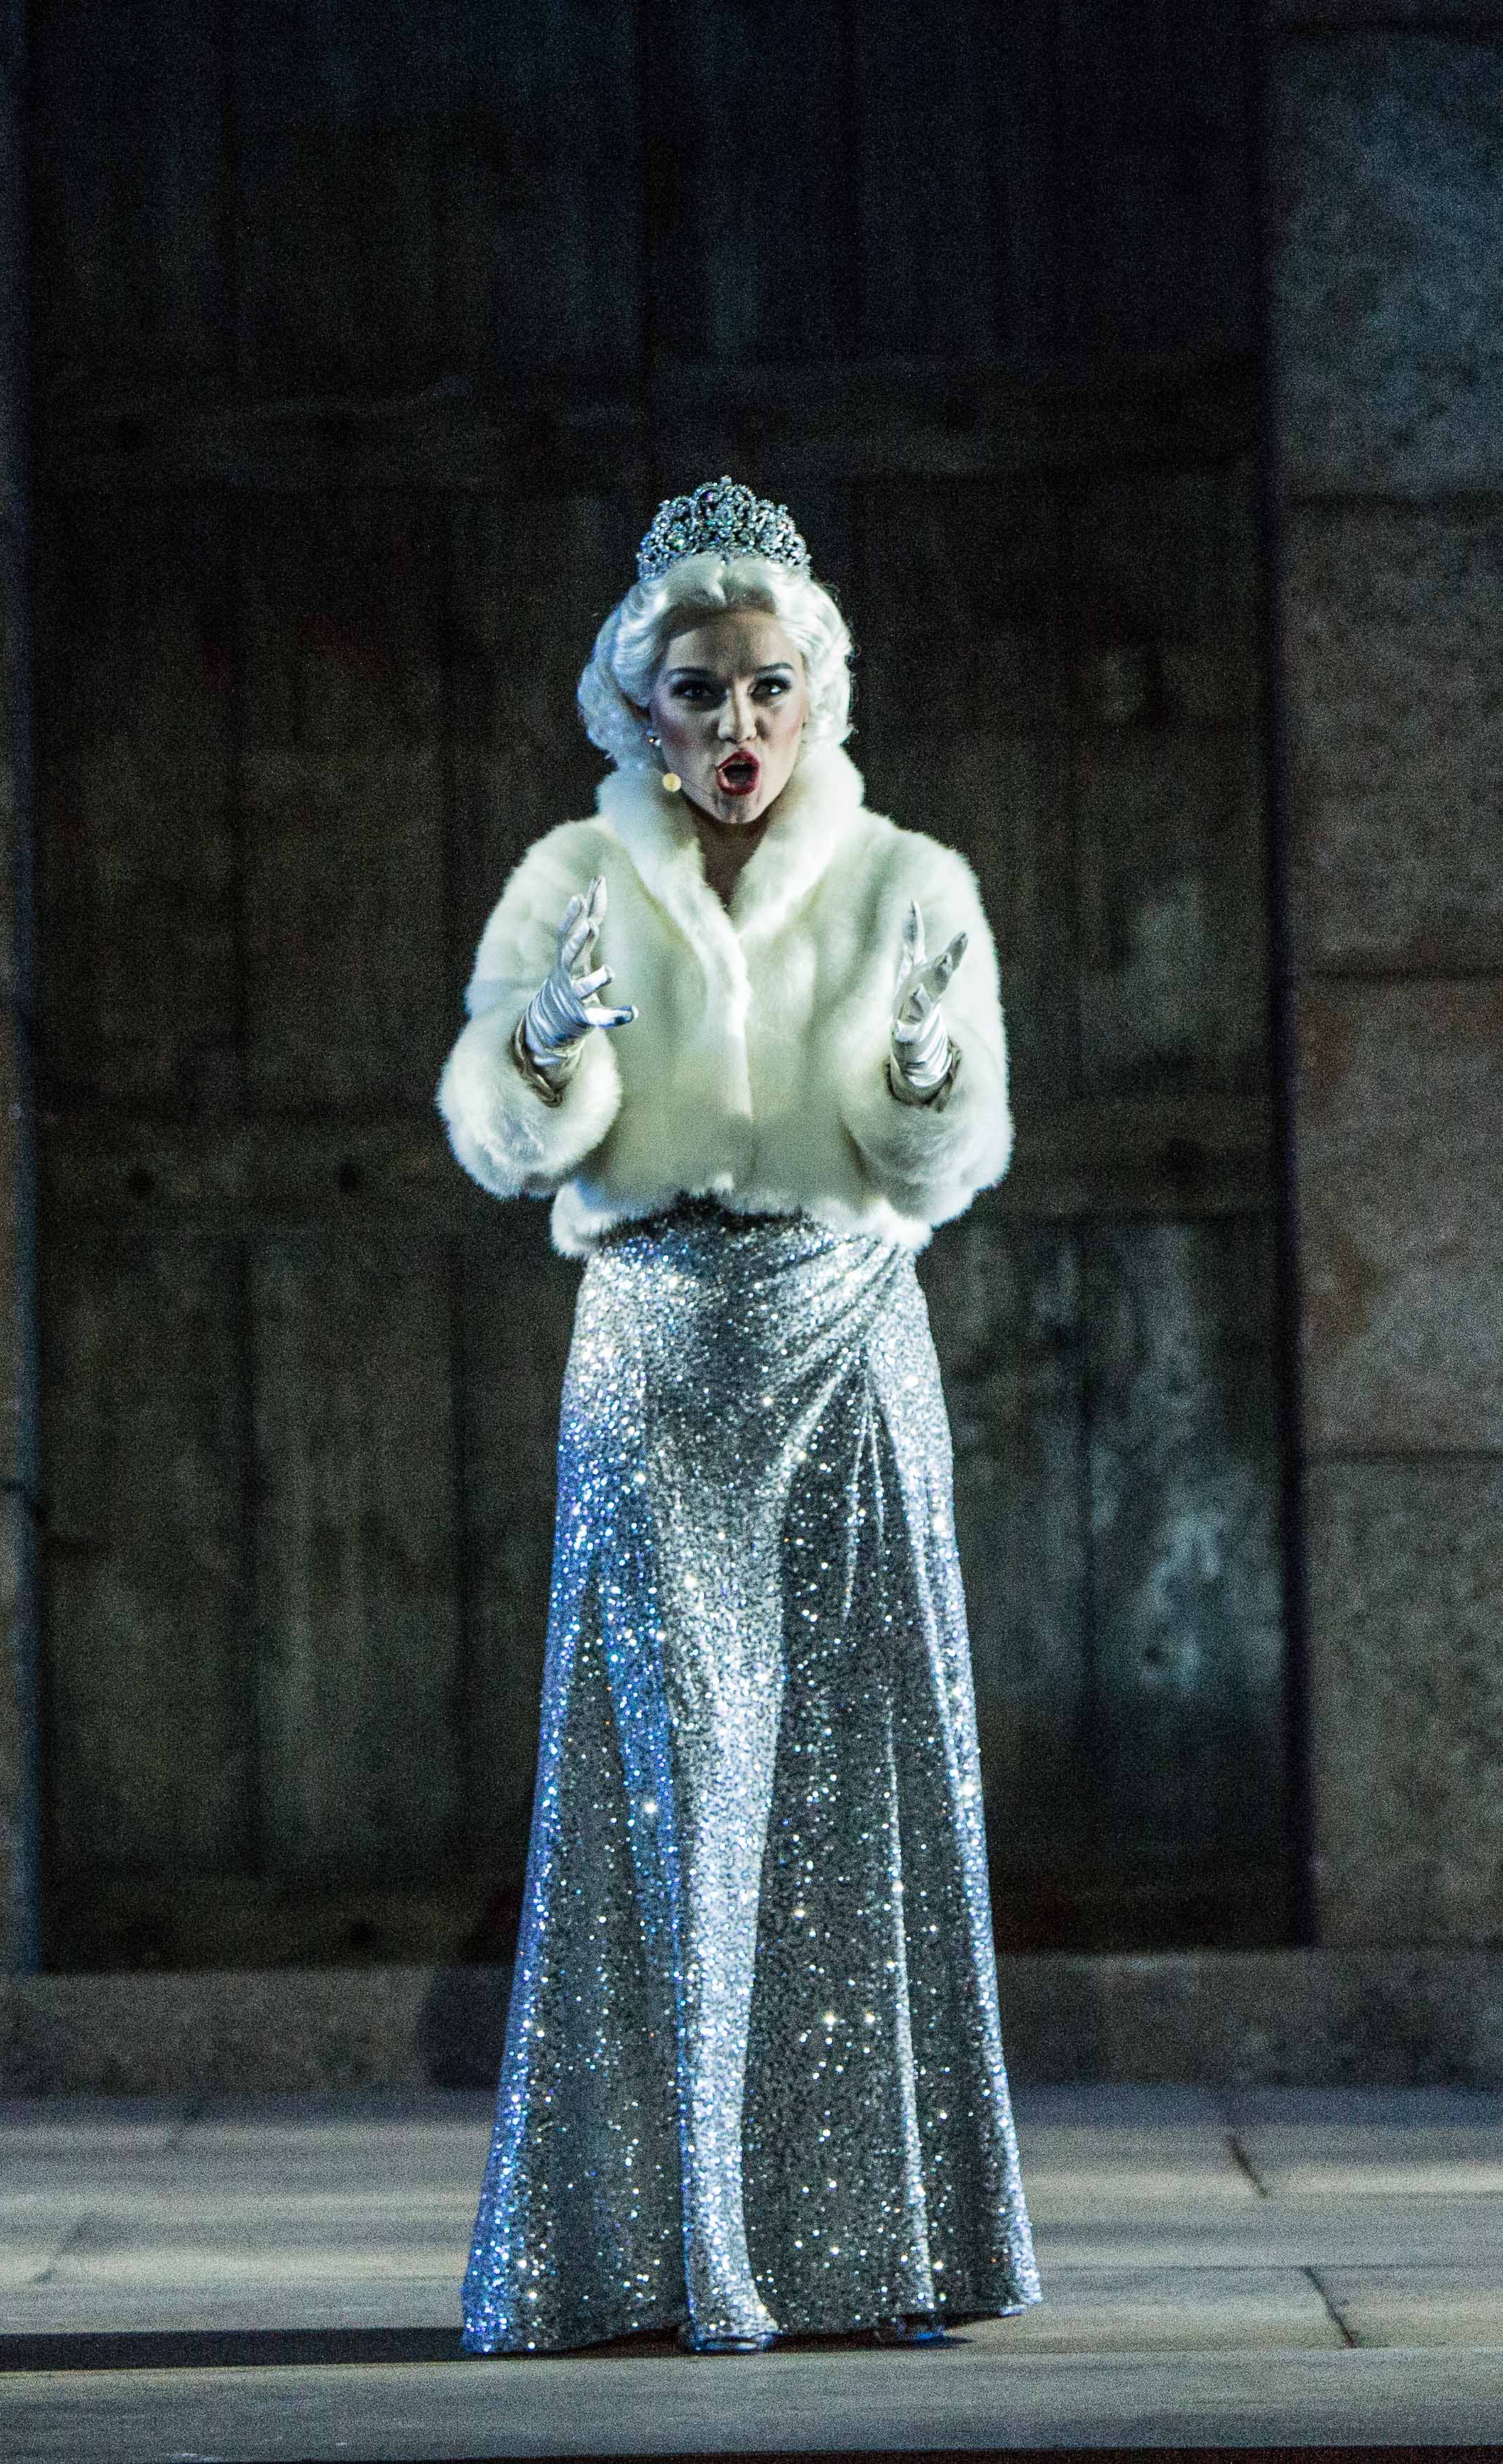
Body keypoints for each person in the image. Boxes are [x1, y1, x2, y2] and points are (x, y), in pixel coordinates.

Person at [437, 478, 1040, 2356]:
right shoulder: (571, 880)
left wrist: (927, 1071)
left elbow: (941, 1157)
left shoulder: (905, 881)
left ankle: (876, 2247)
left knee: (863, 1763)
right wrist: (550, 1040)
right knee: (667, 1769)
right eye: (699, 693)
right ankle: (677, 2247)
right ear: (644, 704)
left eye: (767, 689)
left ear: (817, 694)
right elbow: (498, 1129)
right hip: (653, 1331)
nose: (736, 729)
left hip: (845, 1322)